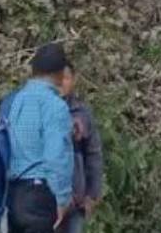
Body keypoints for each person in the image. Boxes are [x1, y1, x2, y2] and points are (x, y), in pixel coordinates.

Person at [4, 43, 76, 233]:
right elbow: (56, 156)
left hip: (14, 194)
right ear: (60, 74)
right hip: (40, 196)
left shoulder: (16, 100)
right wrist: (62, 199)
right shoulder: (55, 106)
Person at [59, 63, 103, 233]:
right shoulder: (39, 111)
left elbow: (93, 154)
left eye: (66, 78)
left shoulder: (82, 112)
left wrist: (93, 193)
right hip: (45, 200)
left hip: (76, 200)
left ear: (74, 80)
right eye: (56, 79)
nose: (61, 83)